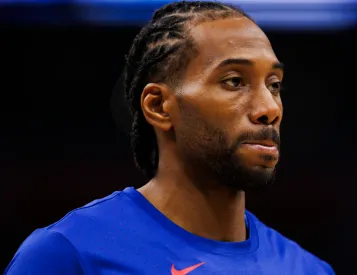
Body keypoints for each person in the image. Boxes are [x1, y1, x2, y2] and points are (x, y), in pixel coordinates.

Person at [5, 1, 335, 274]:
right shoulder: (70, 254)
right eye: (234, 81)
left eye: (274, 84)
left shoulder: (308, 269)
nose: (268, 108)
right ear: (159, 106)